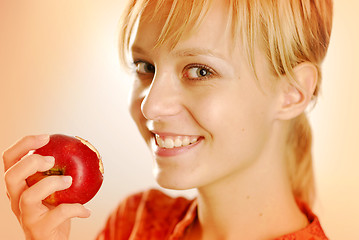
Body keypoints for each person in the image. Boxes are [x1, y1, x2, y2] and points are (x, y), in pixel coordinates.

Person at [2, 0, 333, 239]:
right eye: (145, 67)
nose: (151, 106)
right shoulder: (134, 223)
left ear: (292, 92)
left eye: (200, 71)